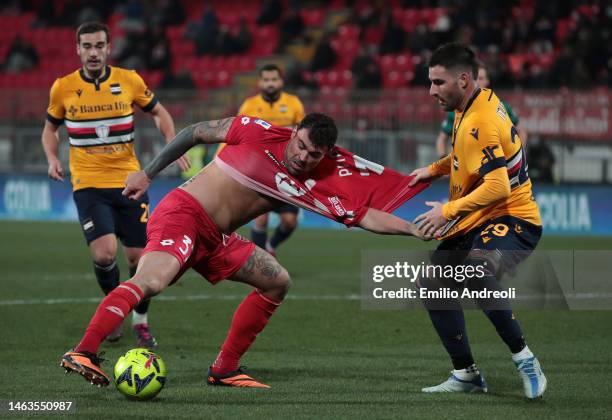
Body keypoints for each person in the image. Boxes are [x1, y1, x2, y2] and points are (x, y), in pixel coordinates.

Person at [60, 112, 428, 388]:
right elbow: (193, 133)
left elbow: (364, 216)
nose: (302, 157)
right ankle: (84, 351)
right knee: (151, 281)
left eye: (313, 154)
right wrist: (148, 173)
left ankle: (224, 369)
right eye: (300, 145)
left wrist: (413, 228)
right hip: (183, 215)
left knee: (277, 281)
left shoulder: (315, 184)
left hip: (217, 238)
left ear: (325, 154)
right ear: (294, 132)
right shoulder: (258, 131)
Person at [409, 43, 547, 399]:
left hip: (513, 218)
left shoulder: (479, 120)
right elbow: (463, 155)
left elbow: (499, 186)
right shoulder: (472, 102)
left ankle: (525, 359)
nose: (431, 91)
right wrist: (435, 170)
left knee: (475, 271)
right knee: (433, 283)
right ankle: (465, 374)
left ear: (464, 79)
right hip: (479, 218)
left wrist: (447, 210)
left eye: (438, 82)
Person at [41, 22, 189, 349]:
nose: (93, 52)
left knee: (139, 259)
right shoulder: (62, 88)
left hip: (129, 182)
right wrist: (52, 158)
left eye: (99, 46)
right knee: (105, 254)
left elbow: (159, 112)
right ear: (77, 50)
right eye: (87, 46)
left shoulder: (130, 80)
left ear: (109, 48)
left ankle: (140, 319)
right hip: (88, 185)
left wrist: (170, 140)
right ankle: (116, 310)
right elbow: (50, 129)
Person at [218, 64, 305, 256]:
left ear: (281, 81)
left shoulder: (294, 104)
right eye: (266, 80)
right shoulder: (250, 105)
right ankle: (261, 258)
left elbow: (304, 136)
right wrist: (219, 159)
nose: (270, 83)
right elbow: (233, 134)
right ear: (260, 82)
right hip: (258, 171)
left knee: (290, 221)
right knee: (261, 218)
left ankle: (271, 246)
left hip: (286, 172)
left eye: (274, 79)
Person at [435, 63, 528, 158]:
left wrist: (518, 157)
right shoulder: (456, 110)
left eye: (481, 78)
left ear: (487, 81)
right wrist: (443, 163)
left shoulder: (500, 106)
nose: (477, 82)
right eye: (474, 78)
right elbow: (442, 139)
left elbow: (521, 132)